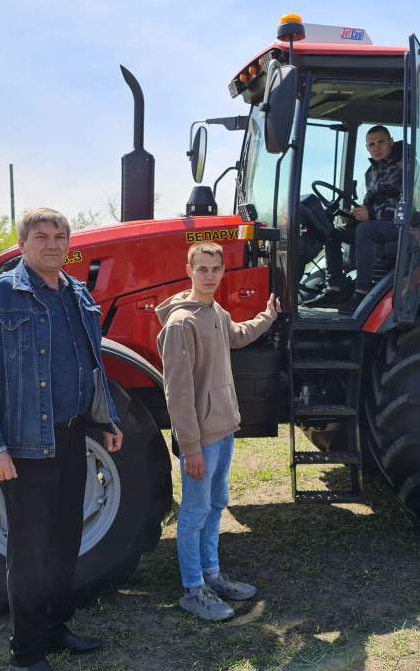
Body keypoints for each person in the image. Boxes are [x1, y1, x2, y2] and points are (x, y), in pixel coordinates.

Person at [0, 207, 123, 671]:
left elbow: (92, 364)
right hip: (26, 444)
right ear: (22, 244)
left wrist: (105, 420)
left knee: (65, 538)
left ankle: (54, 626)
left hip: (72, 436)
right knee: (30, 549)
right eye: (41, 236)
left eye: (59, 236)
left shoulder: (76, 294)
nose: (52, 244)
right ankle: (27, 651)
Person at [155, 242, 279, 620]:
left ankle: (212, 575)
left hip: (224, 430)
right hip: (202, 440)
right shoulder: (181, 324)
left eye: (215, 269)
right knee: (193, 513)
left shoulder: (215, 311)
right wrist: (190, 447)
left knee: (215, 505)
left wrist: (267, 317)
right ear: (189, 270)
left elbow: (237, 336)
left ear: (223, 272)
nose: (209, 276)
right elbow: (177, 393)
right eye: (202, 269)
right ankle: (193, 589)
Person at [311, 125, 402, 313]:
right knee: (332, 233)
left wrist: (372, 214)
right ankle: (336, 288)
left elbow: (408, 202)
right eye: (371, 144)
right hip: (377, 223)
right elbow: (371, 201)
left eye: (381, 142)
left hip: (401, 225)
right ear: (367, 148)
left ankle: (362, 292)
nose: (376, 147)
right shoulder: (371, 172)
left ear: (391, 142)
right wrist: (355, 216)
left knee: (364, 231)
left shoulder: (405, 166)